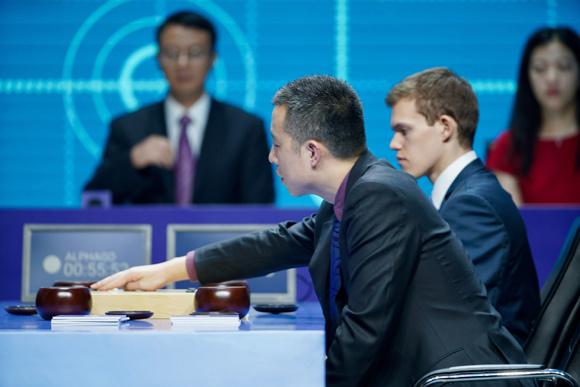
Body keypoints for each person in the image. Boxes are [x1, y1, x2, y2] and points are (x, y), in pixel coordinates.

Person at [92, 75, 531, 386]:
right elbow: (278, 243)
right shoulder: (353, 192)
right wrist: (171, 269)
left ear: (313, 152)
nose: (270, 156)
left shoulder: (378, 194)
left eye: (277, 144)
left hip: (453, 378)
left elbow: (365, 329)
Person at [386, 67, 541, 345]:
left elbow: (459, 320)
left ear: (445, 127)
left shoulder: (472, 205)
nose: (393, 143)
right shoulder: (464, 196)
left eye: (404, 130)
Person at [84, 11, 274, 205]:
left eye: (195, 53)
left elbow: (260, 209)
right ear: (158, 59)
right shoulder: (128, 127)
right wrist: (133, 160)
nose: (183, 64)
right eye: (172, 53)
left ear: (212, 59)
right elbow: (93, 200)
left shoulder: (245, 128)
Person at [486, 26, 580, 205]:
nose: (552, 78)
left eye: (564, 67)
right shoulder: (508, 147)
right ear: (527, 77)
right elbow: (514, 226)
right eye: (540, 68)